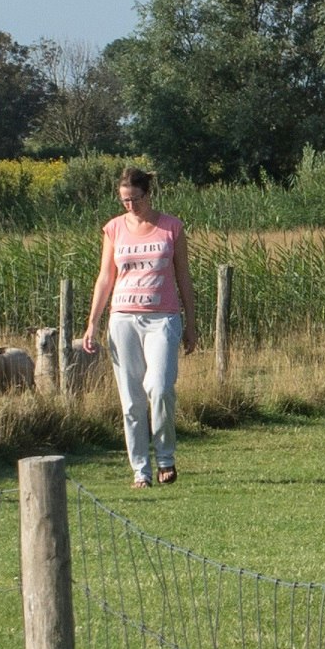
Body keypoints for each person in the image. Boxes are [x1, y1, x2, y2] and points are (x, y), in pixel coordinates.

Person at [81, 166, 197, 487]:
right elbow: (106, 277)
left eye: (136, 199)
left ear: (148, 194)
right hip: (122, 320)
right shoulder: (114, 229)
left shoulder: (172, 228)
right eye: (124, 200)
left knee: (159, 388)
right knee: (131, 400)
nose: (131, 206)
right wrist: (92, 323)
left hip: (163, 319)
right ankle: (140, 470)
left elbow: (183, 277)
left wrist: (191, 323)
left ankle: (166, 456)